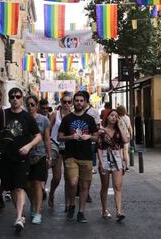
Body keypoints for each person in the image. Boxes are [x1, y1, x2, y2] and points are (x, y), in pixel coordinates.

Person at [0, 88, 42, 232]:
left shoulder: (27, 117)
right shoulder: (3, 114)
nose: (15, 99)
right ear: (9, 98)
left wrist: (29, 146)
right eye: (12, 97)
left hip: (22, 158)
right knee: (12, 187)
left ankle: (19, 217)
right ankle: (20, 214)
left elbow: (38, 136)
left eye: (17, 97)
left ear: (21, 98)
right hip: (5, 158)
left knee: (20, 186)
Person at [57, 91, 98, 223]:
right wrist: (71, 137)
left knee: (85, 186)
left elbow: (97, 137)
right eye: (77, 100)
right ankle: (72, 205)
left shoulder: (90, 119)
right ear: (74, 102)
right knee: (73, 182)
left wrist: (89, 137)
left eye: (81, 100)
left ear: (85, 103)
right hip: (71, 156)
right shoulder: (67, 119)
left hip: (86, 156)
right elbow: (59, 136)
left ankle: (81, 212)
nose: (79, 103)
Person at [97, 110, 128, 222]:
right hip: (105, 156)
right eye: (111, 115)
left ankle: (119, 211)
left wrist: (121, 125)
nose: (114, 117)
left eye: (116, 116)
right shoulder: (101, 131)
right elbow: (99, 148)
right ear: (107, 117)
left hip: (117, 158)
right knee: (104, 186)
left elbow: (125, 141)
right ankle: (104, 209)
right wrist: (101, 163)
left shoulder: (119, 131)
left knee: (117, 186)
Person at [25, 95, 51, 225]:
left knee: (37, 183)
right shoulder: (23, 119)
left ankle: (38, 211)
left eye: (32, 104)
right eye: (28, 104)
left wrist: (49, 155)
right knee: (27, 185)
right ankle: (33, 203)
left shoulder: (44, 120)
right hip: (25, 156)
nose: (30, 107)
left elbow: (47, 138)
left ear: (36, 106)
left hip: (40, 155)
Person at [48, 91, 72, 210]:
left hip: (68, 147)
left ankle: (67, 203)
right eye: (64, 102)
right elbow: (48, 129)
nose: (67, 104)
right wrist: (47, 143)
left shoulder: (73, 115)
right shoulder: (55, 114)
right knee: (57, 177)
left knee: (68, 177)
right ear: (61, 102)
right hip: (56, 145)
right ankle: (51, 193)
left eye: (69, 102)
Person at [81, 91, 101, 200]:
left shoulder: (94, 112)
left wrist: (90, 135)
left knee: (88, 169)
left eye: (82, 100)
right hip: (77, 144)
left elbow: (97, 126)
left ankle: (86, 191)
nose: (79, 102)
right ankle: (81, 189)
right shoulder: (74, 112)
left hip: (90, 143)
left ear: (86, 100)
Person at [116, 105, 133, 171]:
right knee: (126, 151)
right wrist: (131, 135)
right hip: (127, 136)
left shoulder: (117, 118)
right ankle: (127, 166)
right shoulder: (127, 118)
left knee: (120, 151)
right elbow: (130, 127)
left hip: (120, 136)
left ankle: (122, 166)